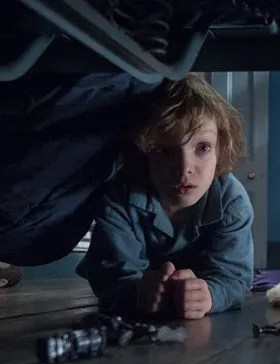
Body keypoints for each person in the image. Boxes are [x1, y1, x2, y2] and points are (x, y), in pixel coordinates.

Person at [76, 74, 254, 319]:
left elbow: (234, 277)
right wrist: (137, 292)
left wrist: (210, 295)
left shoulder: (231, 201)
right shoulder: (118, 198)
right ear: (143, 152)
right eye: (164, 150)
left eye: (202, 148)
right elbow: (109, 278)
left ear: (221, 148)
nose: (184, 168)